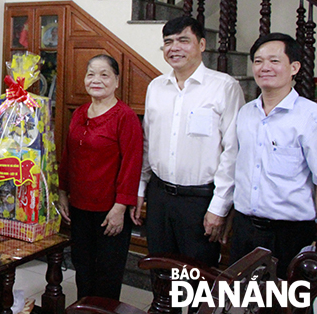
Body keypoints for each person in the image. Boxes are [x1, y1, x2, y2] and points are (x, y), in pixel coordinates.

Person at [131, 16, 244, 267]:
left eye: (184, 40)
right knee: (159, 270)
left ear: (202, 45)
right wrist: (140, 187)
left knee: (197, 276)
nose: (174, 48)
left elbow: (232, 151)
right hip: (159, 196)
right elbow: (148, 143)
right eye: (168, 42)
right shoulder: (156, 87)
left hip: (200, 200)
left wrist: (219, 206)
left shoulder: (224, 87)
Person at [230, 33, 317, 278]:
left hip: (289, 234)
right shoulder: (246, 113)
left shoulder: (310, 117)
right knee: (240, 302)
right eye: (258, 61)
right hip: (245, 229)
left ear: (294, 67)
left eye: (274, 61)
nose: (264, 67)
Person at [57, 55, 143, 300]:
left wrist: (120, 207)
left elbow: (132, 165)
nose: (96, 80)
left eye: (104, 75)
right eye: (91, 74)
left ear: (116, 81)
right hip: (79, 206)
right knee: (82, 267)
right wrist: (63, 191)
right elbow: (68, 155)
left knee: (107, 272)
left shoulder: (124, 117)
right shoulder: (80, 112)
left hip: (109, 210)